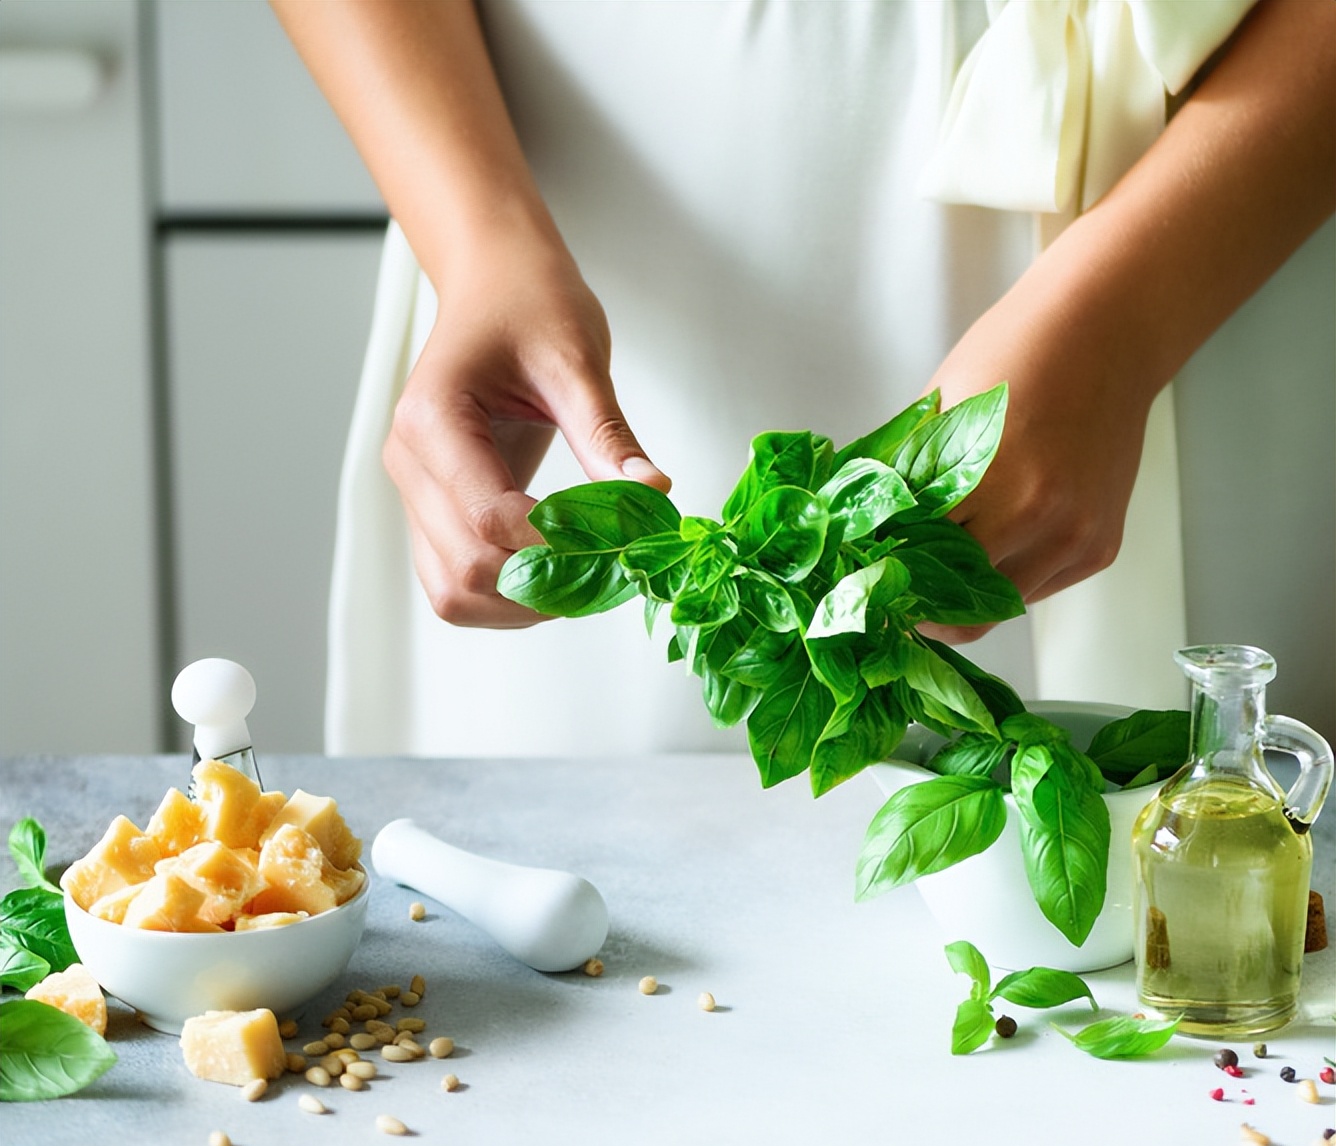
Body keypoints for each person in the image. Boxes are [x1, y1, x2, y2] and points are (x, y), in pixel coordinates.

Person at [271, 0, 1335, 757]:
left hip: (1212, 209)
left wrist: (1128, 324)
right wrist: (475, 239)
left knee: (1225, 894)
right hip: (570, 193)